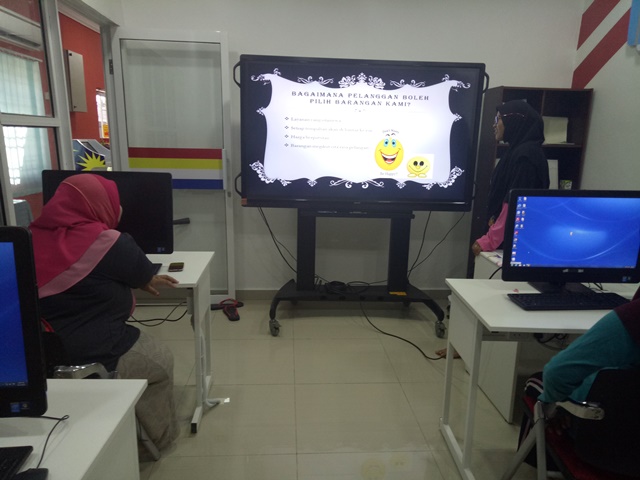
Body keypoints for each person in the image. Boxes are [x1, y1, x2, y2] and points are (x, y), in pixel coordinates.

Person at [29, 173, 180, 457]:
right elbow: (141, 272)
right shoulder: (108, 242)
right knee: (160, 362)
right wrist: (144, 279)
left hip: (35, 357)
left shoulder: (26, 238)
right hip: (98, 350)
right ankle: (155, 442)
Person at [517, 286, 640, 473]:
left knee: (538, 386)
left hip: (610, 446)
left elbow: (557, 373)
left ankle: (538, 467)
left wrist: (554, 404)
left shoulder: (633, 317)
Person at [472, 99, 550, 256]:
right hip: (504, 239)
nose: (494, 125)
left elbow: (515, 203)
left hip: (512, 245)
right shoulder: (515, 151)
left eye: (499, 119)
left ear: (514, 121)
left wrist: (489, 240)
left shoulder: (526, 157)